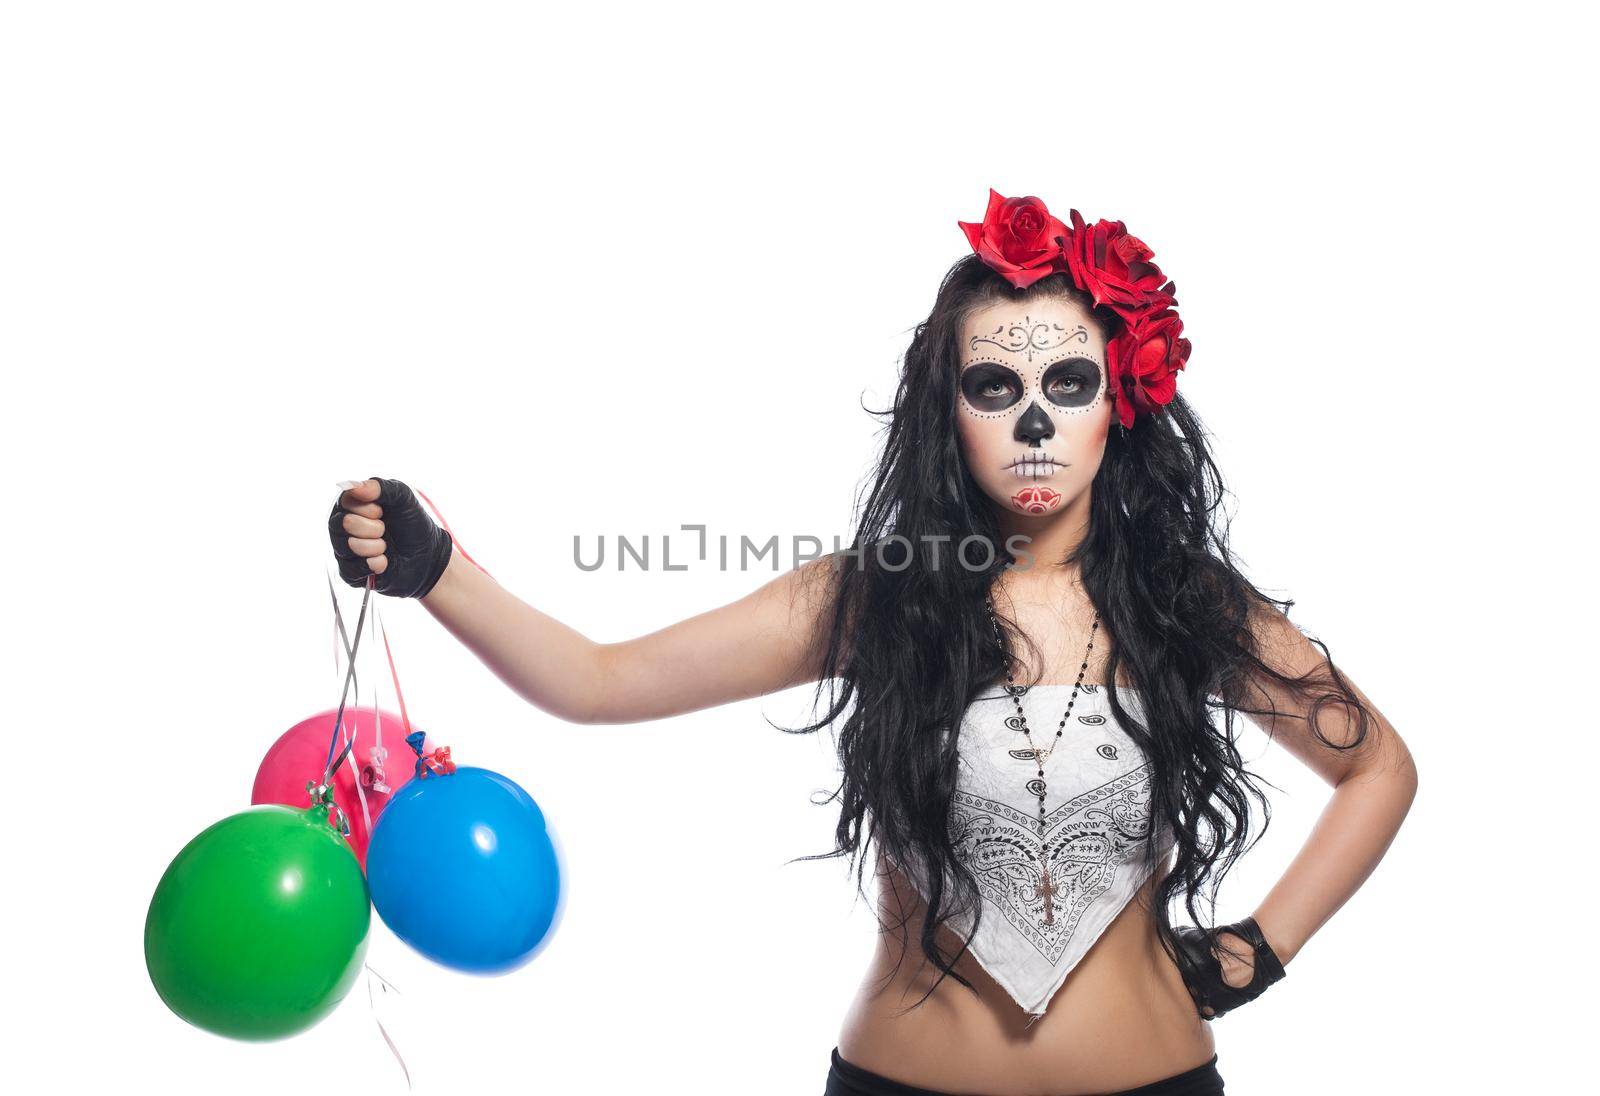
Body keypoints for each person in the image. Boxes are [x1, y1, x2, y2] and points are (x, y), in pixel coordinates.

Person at [328, 189, 1418, 1096]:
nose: (1033, 422)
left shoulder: (1186, 606)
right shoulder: (872, 600)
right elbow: (600, 679)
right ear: (949, 410)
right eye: (996, 387)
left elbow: (1375, 766)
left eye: (1067, 384)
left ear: (1116, 403)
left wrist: (1257, 950)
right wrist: (437, 573)